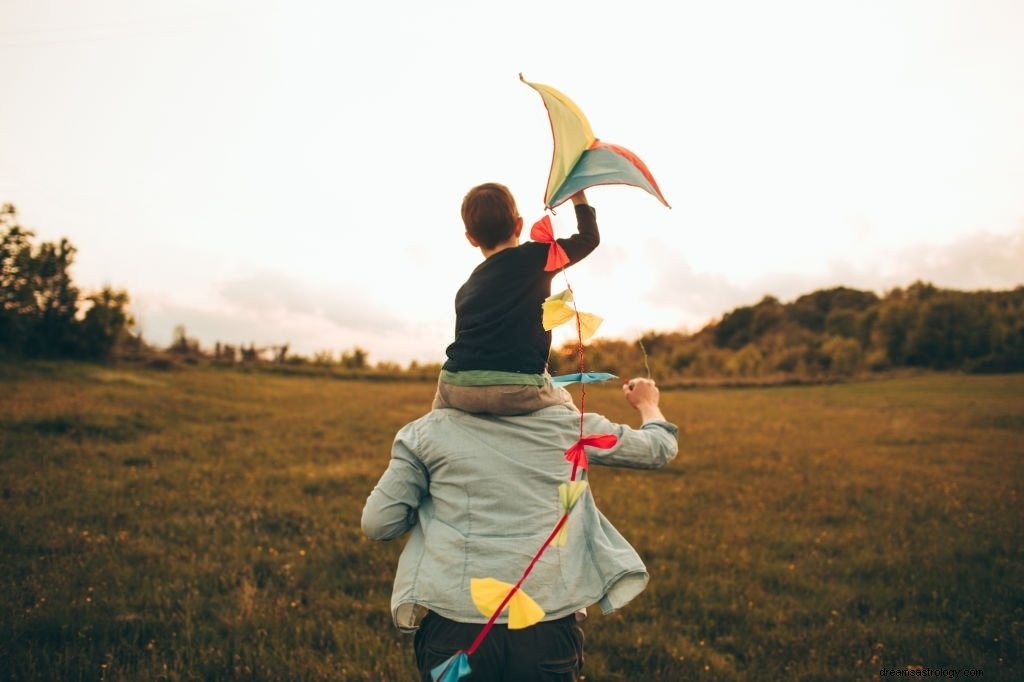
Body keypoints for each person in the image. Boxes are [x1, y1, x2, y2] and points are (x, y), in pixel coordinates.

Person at [361, 377, 678, 681]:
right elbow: (658, 447)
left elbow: (378, 523)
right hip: (546, 629)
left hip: (455, 629)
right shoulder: (572, 427)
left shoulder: (426, 434)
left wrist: (430, 506)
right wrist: (648, 403)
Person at [433, 182, 599, 415]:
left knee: (437, 421)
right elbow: (588, 239)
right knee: (564, 404)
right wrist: (578, 195)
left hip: (454, 385)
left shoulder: (466, 287)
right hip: (515, 388)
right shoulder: (536, 257)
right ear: (519, 225)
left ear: (471, 238)